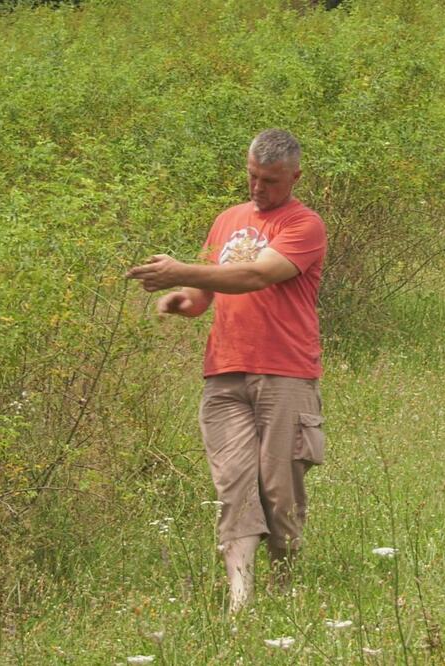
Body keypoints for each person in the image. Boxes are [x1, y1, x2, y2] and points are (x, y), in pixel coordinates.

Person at [126, 129, 327, 613]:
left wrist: (181, 271)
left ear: (295, 177)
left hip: (285, 371)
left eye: (271, 181)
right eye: (253, 177)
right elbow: (207, 293)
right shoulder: (227, 220)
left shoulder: (305, 225)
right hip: (224, 372)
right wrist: (184, 301)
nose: (259, 189)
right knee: (234, 482)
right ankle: (241, 597)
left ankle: (285, 582)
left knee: (279, 490)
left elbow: (255, 275)